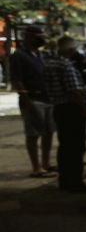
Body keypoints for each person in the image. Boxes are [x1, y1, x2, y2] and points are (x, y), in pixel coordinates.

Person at [10, 26, 57, 177]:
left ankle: (46, 163)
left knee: (49, 132)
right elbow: (17, 81)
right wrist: (29, 103)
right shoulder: (19, 55)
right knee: (33, 134)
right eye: (39, 36)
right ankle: (36, 168)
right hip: (33, 99)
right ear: (28, 37)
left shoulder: (39, 55)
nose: (41, 39)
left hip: (47, 98)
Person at [44, 36, 86, 192]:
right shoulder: (66, 65)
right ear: (71, 49)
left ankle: (65, 180)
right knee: (76, 146)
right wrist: (85, 111)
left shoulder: (49, 63)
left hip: (58, 108)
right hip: (71, 110)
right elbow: (75, 92)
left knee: (64, 146)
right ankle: (75, 181)